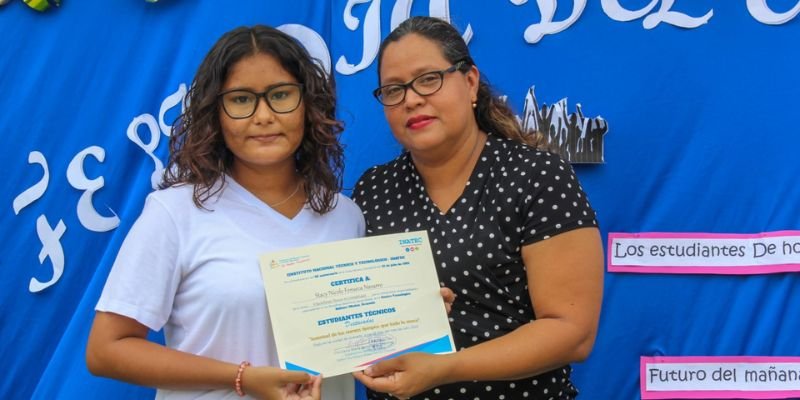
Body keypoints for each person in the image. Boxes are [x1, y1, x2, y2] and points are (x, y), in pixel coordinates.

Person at [86, 25, 365, 400]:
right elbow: (106, 349)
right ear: (215, 113)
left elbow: (355, 338)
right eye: (240, 100)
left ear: (309, 106)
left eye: (281, 95)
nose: (263, 115)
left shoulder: (345, 216)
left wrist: (415, 309)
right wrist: (242, 378)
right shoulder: (174, 212)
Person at [352, 16, 604, 400]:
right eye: (393, 90)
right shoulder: (374, 189)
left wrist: (443, 368)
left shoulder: (537, 176)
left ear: (470, 81)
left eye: (428, 79)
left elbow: (572, 332)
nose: (411, 99)